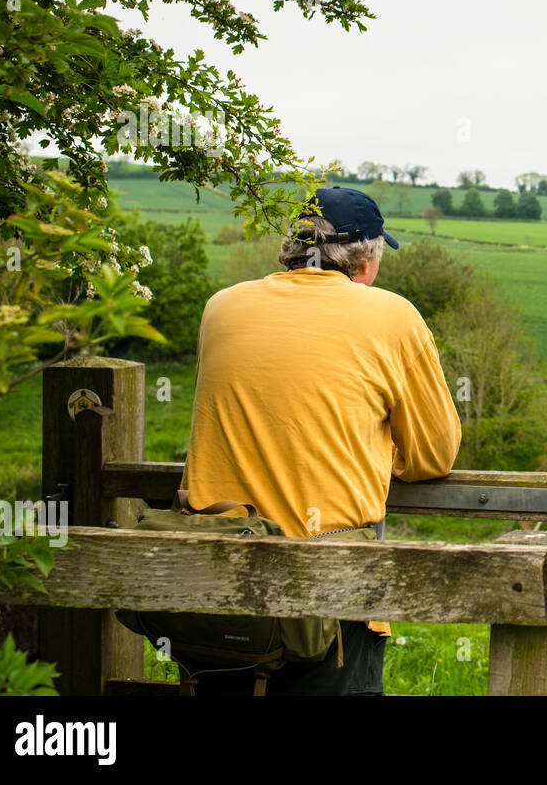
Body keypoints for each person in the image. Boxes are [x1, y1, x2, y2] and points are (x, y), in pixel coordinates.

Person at [178, 185, 462, 694]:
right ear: (367, 259)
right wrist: (376, 450)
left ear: (290, 247)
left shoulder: (221, 307)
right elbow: (433, 456)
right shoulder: (393, 317)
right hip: (330, 596)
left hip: (216, 590)